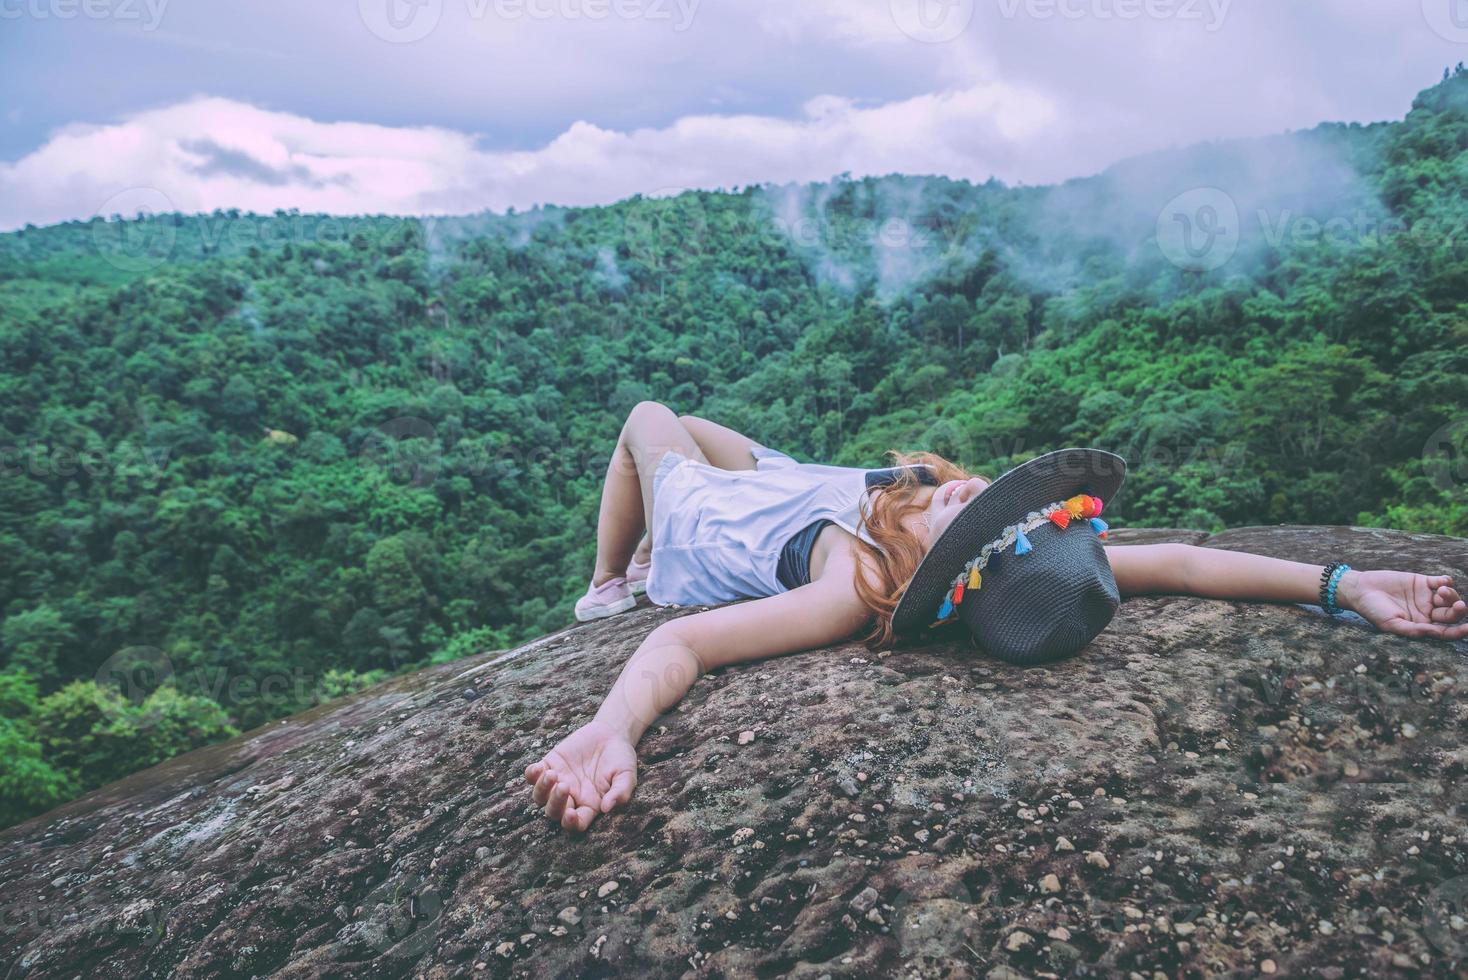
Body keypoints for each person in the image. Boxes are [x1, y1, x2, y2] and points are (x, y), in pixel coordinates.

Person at [525, 402, 1467, 833]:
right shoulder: (993, 557)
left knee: (654, 419)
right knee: (712, 428)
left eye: (961, 514)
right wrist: (1343, 584)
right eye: (986, 505)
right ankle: (645, 533)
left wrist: (611, 728)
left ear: (947, 574)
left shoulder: (851, 589)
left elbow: (683, 640)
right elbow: (1177, 564)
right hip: (796, 486)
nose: (968, 490)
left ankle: (610, 577)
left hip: (716, 527)